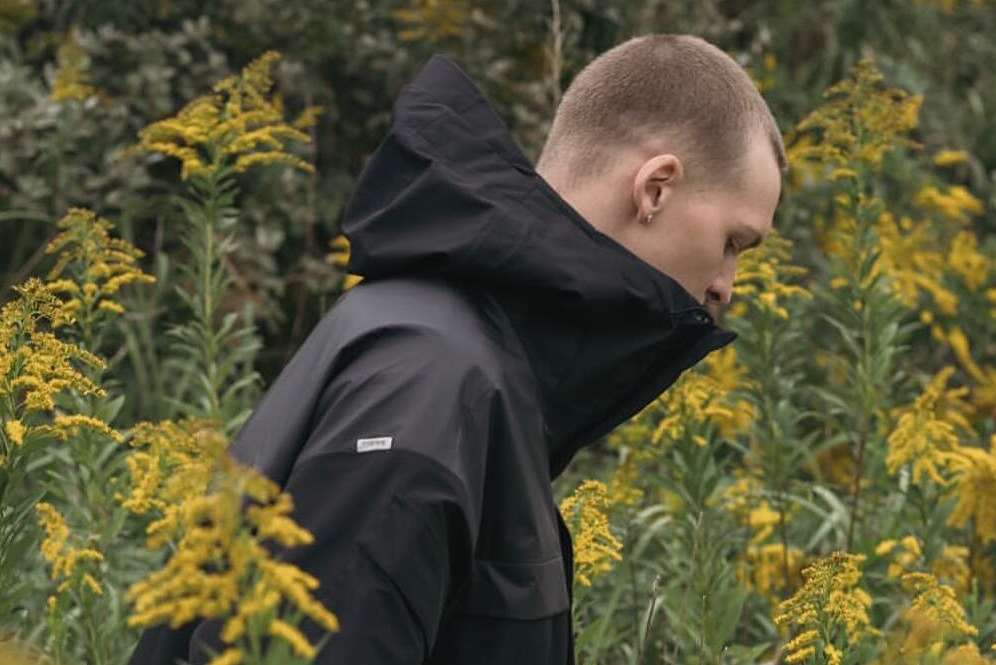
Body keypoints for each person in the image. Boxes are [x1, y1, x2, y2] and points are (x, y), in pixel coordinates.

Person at [129, 33, 785, 665]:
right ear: (655, 187)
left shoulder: (473, 361)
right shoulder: (432, 382)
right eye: (732, 242)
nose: (725, 286)